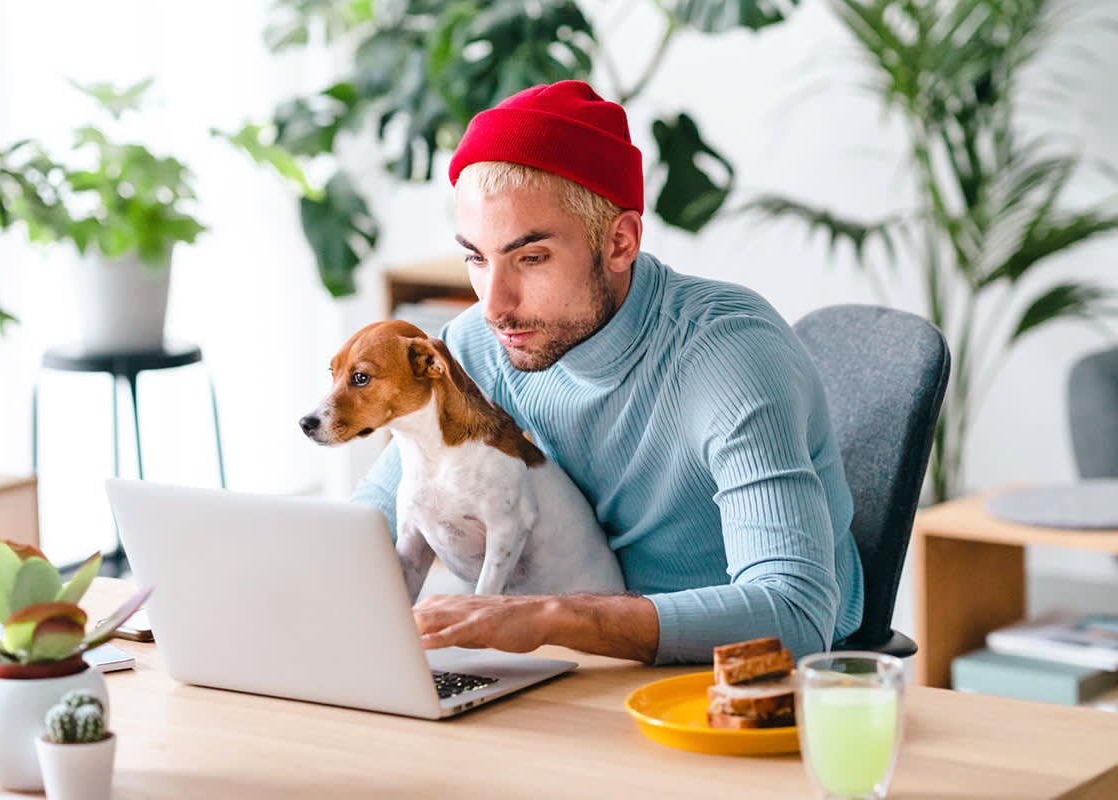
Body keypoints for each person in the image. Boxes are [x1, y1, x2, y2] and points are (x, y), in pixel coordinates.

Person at [351, 80, 864, 665]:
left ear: (620, 242)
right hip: (580, 661)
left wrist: (545, 616)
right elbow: (369, 524)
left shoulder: (732, 357)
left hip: (745, 678)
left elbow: (794, 614)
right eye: (476, 258)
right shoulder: (475, 347)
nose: (494, 304)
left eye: (532, 258)